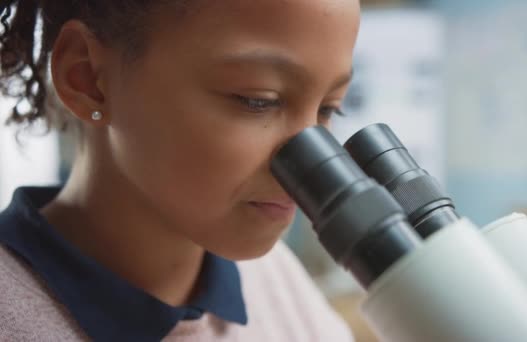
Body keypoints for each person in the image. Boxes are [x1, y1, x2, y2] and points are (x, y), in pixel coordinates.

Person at [0, 0, 360, 340]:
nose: (314, 163)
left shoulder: (278, 285)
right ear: (88, 78)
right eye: (258, 100)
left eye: (329, 108)